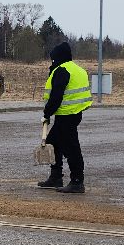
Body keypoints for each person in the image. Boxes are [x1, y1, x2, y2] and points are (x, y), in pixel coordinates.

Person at [38, 41, 92, 193]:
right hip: (74, 113)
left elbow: (56, 96)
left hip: (67, 115)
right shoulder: (77, 69)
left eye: (53, 58)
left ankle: (77, 181)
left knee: (71, 148)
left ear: (58, 57)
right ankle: (56, 177)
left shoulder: (62, 70)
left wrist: (47, 113)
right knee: (53, 143)